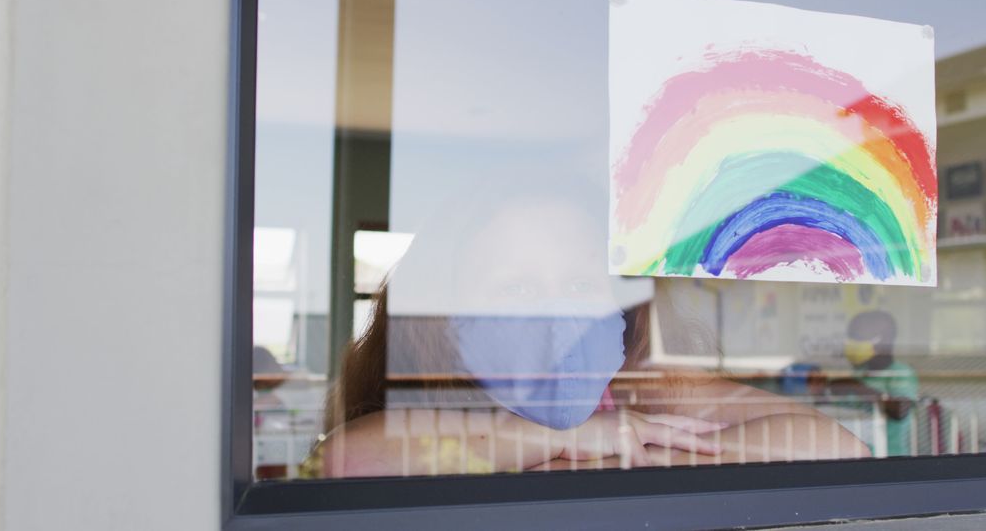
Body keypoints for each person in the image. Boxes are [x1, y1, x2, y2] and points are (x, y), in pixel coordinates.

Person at [302, 176, 869, 478]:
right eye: (516, 289)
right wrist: (567, 441)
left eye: (580, 285)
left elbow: (838, 448)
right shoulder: (432, 399)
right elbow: (349, 461)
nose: (557, 315)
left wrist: (626, 451)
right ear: (443, 318)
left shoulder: (640, 390)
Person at [811, 310, 919, 457]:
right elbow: (836, 413)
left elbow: (900, 410)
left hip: (887, 457)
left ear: (882, 340)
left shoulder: (900, 373)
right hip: (850, 453)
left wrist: (857, 388)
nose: (850, 343)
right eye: (850, 337)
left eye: (857, 337)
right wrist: (819, 392)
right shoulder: (860, 372)